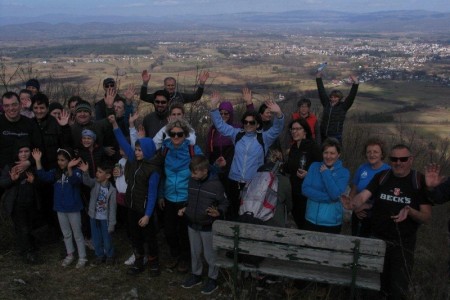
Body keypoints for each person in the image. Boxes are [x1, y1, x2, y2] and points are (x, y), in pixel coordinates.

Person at [343, 144, 432, 299]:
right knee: (372, 287)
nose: (398, 162)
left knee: (398, 288)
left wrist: (410, 211)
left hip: (403, 244)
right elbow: (363, 196)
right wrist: (352, 204)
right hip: (377, 239)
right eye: (394, 159)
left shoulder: (418, 181)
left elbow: (426, 216)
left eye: (403, 159)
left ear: (410, 160)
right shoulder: (382, 177)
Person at [209, 91, 284, 220]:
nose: (248, 125)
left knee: (249, 214)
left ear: (258, 124)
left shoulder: (264, 138)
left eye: (252, 122)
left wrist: (279, 114)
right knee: (233, 212)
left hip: (253, 183)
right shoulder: (237, 135)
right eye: (246, 122)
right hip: (234, 181)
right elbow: (221, 126)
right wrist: (213, 108)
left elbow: (277, 129)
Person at [109, 114, 161, 276]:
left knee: (150, 237)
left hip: (145, 210)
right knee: (135, 237)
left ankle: (153, 263)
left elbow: (152, 195)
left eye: (139, 150)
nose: (136, 152)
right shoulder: (133, 162)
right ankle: (139, 261)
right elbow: (123, 143)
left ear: (147, 150)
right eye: (136, 149)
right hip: (131, 206)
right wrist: (115, 123)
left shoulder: (153, 170)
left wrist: (147, 215)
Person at [151, 119, 203, 273]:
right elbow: (161, 174)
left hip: (186, 199)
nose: (175, 136)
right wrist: (160, 195)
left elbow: (204, 170)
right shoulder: (165, 150)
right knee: (169, 231)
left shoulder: (193, 151)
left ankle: (186, 259)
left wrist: (217, 168)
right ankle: (175, 255)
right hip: (168, 198)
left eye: (179, 134)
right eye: (172, 134)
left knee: (184, 232)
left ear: (185, 134)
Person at [179, 155, 228, 295]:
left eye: (195, 172)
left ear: (205, 171)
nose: (192, 175)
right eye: (191, 172)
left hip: (208, 226)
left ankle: (213, 279)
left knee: (210, 254)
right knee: (195, 252)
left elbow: (225, 203)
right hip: (191, 223)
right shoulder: (191, 181)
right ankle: (196, 275)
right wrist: (185, 208)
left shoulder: (216, 185)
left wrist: (219, 211)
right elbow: (191, 199)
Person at [33, 147, 87, 268]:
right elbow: (43, 176)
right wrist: (37, 160)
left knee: (77, 234)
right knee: (66, 233)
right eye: (58, 160)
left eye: (63, 160)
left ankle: (83, 257)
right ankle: (70, 254)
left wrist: (69, 169)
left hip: (73, 208)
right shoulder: (55, 172)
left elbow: (75, 182)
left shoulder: (77, 171)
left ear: (70, 160)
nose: (60, 162)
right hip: (60, 208)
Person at [0, 141, 39, 264]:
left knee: (30, 226)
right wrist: (12, 179)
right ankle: (27, 253)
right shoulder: (10, 166)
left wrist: (34, 182)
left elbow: (41, 183)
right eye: (20, 151)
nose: (23, 154)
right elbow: (3, 183)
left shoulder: (33, 166)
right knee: (22, 228)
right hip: (17, 204)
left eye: (26, 151)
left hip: (31, 202)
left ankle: (29, 247)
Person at [302, 138, 350, 233]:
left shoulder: (344, 172)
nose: (328, 156)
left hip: (331, 223)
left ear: (338, 155)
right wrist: (328, 198)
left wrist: (326, 174)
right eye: (326, 152)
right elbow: (305, 189)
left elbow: (335, 194)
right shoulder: (314, 166)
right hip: (310, 219)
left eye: (332, 153)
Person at [347, 137, 390, 237]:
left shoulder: (388, 171)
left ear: (382, 154)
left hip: (378, 216)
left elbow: (388, 198)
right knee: (356, 244)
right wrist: (355, 208)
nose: (372, 154)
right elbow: (353, 191)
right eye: (369, 152)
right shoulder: (362, 168)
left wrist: (367, 206)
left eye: (375, 152)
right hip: (359, 214)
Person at [285, 119, 322, 229]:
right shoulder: (294, 147)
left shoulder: (313, 147)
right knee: (298, 220)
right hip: (294, 191)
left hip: (307, 194)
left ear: (305, 131)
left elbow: (322, 169)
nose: (294, 132)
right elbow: (291, 167)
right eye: (293, 129)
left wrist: (309, 174)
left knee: (307, 223)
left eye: (298, 129)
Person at [79, 161, 117, 265]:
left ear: (108, 175)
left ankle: (110, 255)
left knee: (107, 238)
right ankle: (99, 255)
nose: (97, 173)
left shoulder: (112, 191)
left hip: (106, 219)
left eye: (100, 172)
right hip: (94, 217)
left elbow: (113, 208)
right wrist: (86, 172)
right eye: (97, 171)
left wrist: (112, 224)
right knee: (96, 238)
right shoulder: (95, 183)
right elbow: (86, 181)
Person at [0, 92, 41, 171]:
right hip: (4, 172)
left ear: (20, 105)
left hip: (28, 171)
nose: (11, 108)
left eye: (14, 104)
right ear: (3, 107)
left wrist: (30, 162)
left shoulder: (30, 124)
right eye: (6, 106)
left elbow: (39, 148)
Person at [316, 71, 359, 143]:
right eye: (331, 97)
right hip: (323, 135)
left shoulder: (343, 107)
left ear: (339, 98)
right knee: (322, 153)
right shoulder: (326, 104)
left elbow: (351, 96)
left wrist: (356, 84)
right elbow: (321, 91)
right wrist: (318, 78)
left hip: (335, 136)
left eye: (336, 97)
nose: (333, 99)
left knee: (334, 153)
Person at [140, 70, 209, 105]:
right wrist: (145, 83)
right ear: (164, 85)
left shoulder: (180, 96)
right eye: (168, 85)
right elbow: (143, 97)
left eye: (172, 85)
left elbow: (196, 97)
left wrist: (202, 84)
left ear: (175, 85)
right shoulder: (158, 96)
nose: (170, 87)